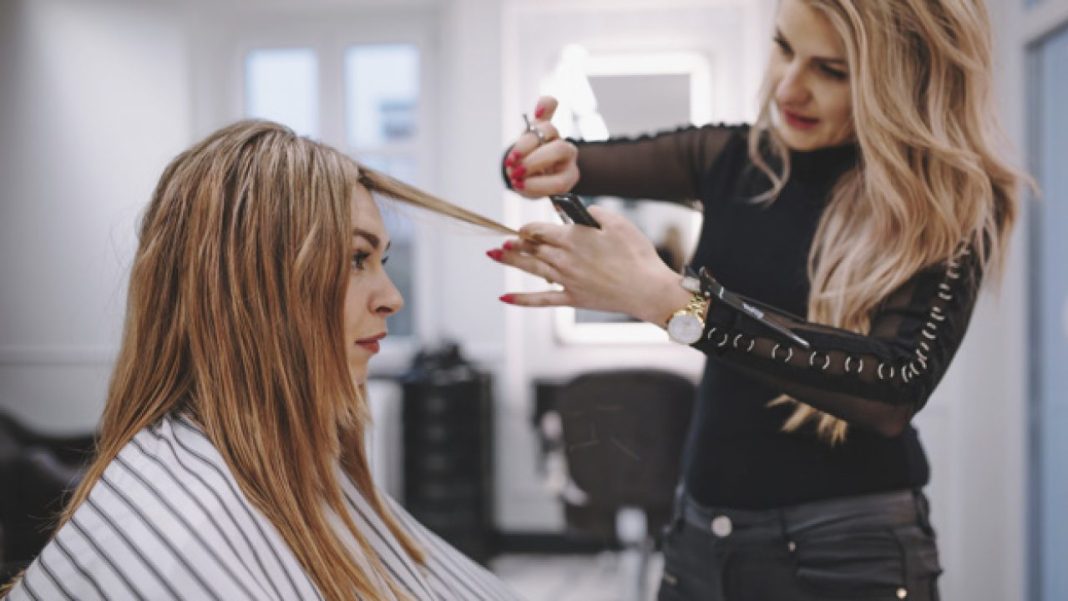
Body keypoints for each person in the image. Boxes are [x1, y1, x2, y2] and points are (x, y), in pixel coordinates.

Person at [491, 1, 1025, 599]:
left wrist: (672, 305)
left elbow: (895, 388)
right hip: (697, 538)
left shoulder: (953, 200)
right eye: (784, 47)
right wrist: (534, 159)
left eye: (831, 70)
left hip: (847, 555)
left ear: (904, 87)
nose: (789, 87)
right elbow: (551, 166)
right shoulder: (731, 158)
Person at [0, 120, 521, 601]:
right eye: (355, 259)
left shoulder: (291, 469)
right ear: (251, 286)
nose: (392, 298)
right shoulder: (187, 532)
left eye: (380, 260)